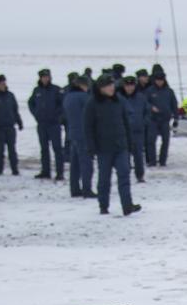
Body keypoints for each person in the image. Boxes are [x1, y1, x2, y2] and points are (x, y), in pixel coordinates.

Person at [85, 75, 140, 217]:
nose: (111, 88)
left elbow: (126, 123)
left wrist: (129, 143)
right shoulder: (92, 103)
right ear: (100, 88)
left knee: (124, 174)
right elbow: (88, 127)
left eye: (112, 85)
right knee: (104, 178)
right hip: (104, 148)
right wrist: (91, 147)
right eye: (107, 86)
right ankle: (103, 205)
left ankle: (127, 206)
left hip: (121, 146)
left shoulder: (119, 100)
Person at [28, 68, 65, 181]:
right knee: (44, 149)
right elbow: (31, 103)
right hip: (42, 124)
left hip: (54, 124)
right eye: (43, 77)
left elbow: (62, 104)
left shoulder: (56, 90)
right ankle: (45, 171)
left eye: (47, 77)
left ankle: (60, 173)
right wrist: (36, 114)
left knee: (57, 149)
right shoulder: (37, 90)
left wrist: (57, 116)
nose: (45, 79)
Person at [0, 74, 24, 176]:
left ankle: (14, 169)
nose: (3, 85)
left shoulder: (10, 96)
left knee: (12, 149)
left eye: (4, 83)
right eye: (1, 84)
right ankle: (0, 169)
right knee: (0, 150)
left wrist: (19, 122)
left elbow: (15, 110)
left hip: (10, 127)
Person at [63, 75, 94, 199]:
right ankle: (87, 189)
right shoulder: (84, 97)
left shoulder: (68, 97)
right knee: (86, 163)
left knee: (75, 164)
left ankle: (74, 189)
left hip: (72, 132)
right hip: (84, 134)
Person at [120, 75, 149, 182]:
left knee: (138, 155)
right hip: (123, 132)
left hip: (138, 131)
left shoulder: (141, 97)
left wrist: (144, 122)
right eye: (127, 86)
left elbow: (147, 112)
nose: (129, 88)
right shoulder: (119, 98)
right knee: (124, 156)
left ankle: (140, 175)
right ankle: (124, 175)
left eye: (131, 85)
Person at [145, 69, 177, 166]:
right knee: (151, 141)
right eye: (158, 80)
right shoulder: (149, 91)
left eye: (161, 80)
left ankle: (163, 161)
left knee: (165, 141)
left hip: (165, 120)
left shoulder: (169, 91)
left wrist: (176, 117)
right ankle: (152, 161)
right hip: (153, 119)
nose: (159, 82)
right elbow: (144, 103)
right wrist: (151, 107)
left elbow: (174, 104)